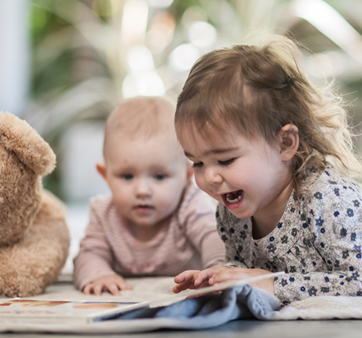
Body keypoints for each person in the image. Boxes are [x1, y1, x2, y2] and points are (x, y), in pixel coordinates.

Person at [172, 35, 362, 304]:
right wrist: (221, 277)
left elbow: (357, 280)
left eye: (225, 160)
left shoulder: (330, 202)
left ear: (285, 143)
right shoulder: (231, 212)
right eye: (198, 163)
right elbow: (243, 265)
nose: (210, 177)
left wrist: (274, 284)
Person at [73, 96, 225, 295]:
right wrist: (99, 275)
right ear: (106, 175)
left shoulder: (190, 204)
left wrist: (217, 271)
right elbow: (89, 253)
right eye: (127, 176)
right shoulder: (104, 213)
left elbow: (213, 237)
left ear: (187, 176)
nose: (142, 190)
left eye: (159, 176)